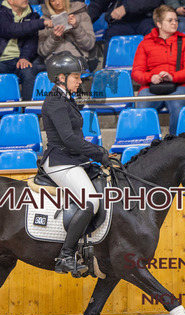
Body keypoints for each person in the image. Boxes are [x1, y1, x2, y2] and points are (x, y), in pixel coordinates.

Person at [40, 52, 111, 276]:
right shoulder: (55, 100)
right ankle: (66, 255)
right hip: (60, 161)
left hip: (73, 159)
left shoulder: (66, 98)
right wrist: (98, 153)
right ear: (61, 77)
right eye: (76, 77)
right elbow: (69, 139)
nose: (80, 81)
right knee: (91, 202)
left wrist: (96, 153)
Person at [132, 5, 185, 135]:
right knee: (143, 107)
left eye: (176, 20)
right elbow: (136, 72)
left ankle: (175, 142)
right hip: (152, 86)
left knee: (177, 105)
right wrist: (150, 77)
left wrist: (172, 77)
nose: (174, 23)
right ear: (159, 24)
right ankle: (149, 144)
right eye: (170, 20)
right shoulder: (145, 43)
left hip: (181, 85)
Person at [0, 0, 52, 103]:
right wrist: (40, 23)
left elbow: (32, 43)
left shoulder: (33, 16)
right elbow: (11, 29)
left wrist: (24, 57)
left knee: (28, 73)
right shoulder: (0, 14)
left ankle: (27, 110)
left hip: (22, 60)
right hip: (3, 62)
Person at [87, 0, 162, 61]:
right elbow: (97, 5)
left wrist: (126, 7)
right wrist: (85, 21)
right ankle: (112, 74)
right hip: (121, 21)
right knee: (112, 37)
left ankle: (159, 71)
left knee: (154, 35)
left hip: (148, 18)